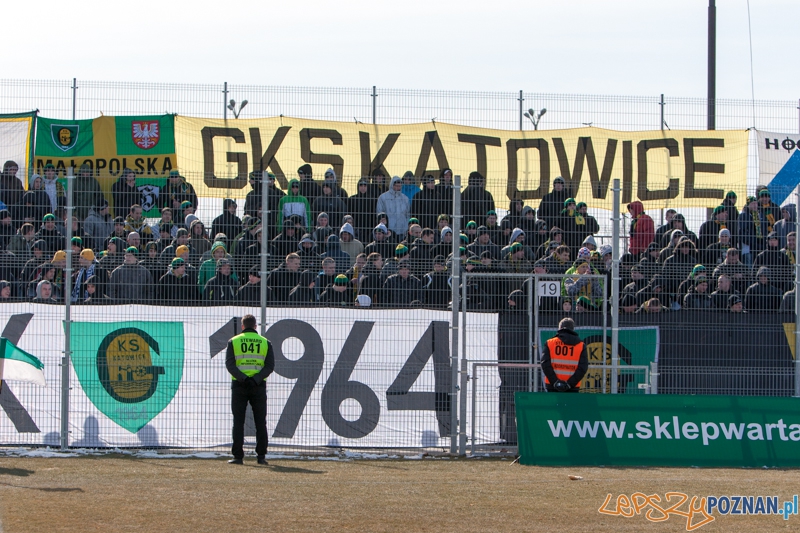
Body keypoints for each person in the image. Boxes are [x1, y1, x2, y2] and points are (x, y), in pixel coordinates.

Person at [225, 314, 274, 465]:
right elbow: (269, 366)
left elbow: (230, 365)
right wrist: (256, 379)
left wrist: (243, 378)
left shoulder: (233, 341)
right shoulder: (265, 342)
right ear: (255, 326)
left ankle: (238, 456)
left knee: (238, 421)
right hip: (258, 386)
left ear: (242, 326)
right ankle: (261, 456)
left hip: (239, 386)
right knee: (260, 422)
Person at [540, 317, 589, 393]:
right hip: (572, 387)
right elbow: (583, 367)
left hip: (552, 385)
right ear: (573, 329)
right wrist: (570, 384)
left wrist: (555, 382)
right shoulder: (581, 345)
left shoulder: (550, 343)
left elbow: (545, 364)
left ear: (560, 328)